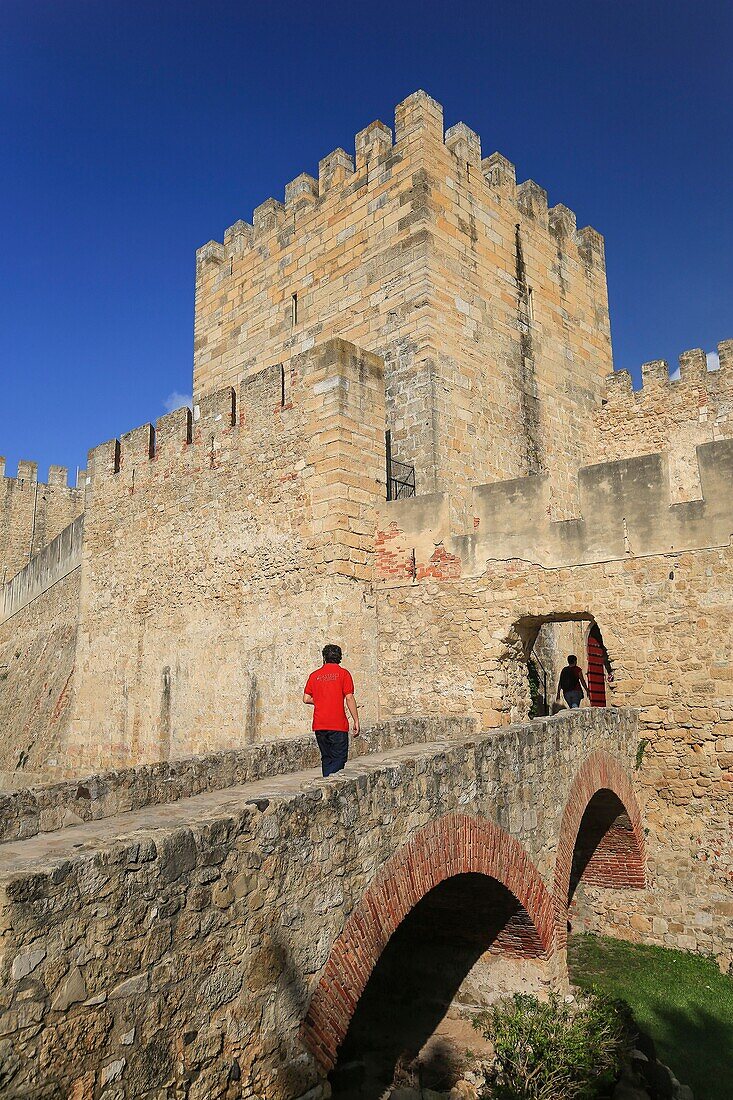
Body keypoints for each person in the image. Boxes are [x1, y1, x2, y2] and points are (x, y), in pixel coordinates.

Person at [303, 644, 360, 776]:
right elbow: (349, 697)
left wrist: (321, 700)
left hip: (320, 724)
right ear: (339, 658)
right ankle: (332, 787)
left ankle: (326, 782)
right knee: (339, 758)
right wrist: (356, 720)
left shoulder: (314, 675)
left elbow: (306, 698)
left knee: (327, 758)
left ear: (324, 657)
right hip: (337, 724)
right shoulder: (343, 674)